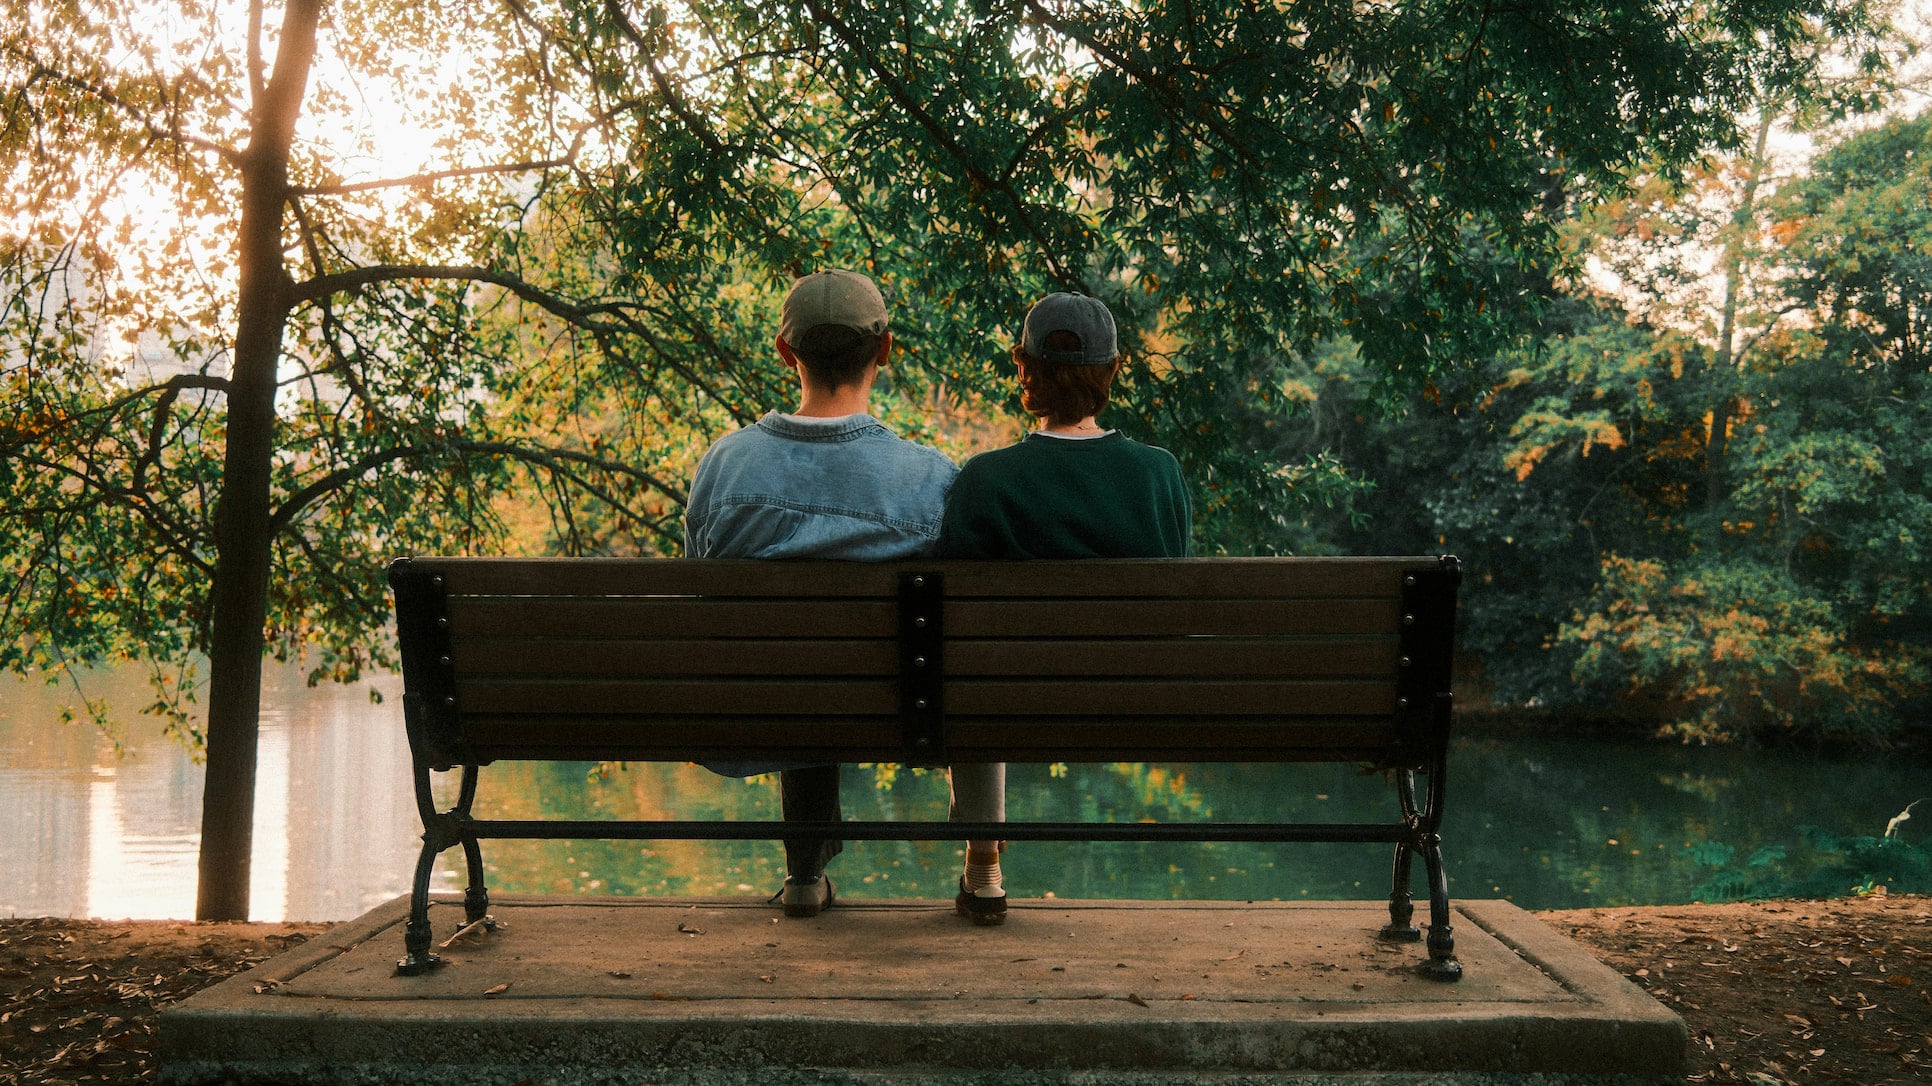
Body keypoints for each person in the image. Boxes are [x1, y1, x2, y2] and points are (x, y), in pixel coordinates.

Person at [685, 269, 958, 918]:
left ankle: (803, 877)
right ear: (885, 351)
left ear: (786, 353)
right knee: (834, 673)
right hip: (896, 716)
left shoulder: (725, 466)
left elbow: (701, 598)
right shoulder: (932, 479)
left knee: (797, 671)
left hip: (752, 711)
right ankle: (813, 875)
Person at [936, 291, 1191, 926]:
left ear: (1024, 367)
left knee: (967, 673)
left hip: (1007, 705)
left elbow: (951, 627)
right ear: (1112, 370)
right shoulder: (1159, 474)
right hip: (1142, 704)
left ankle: (984, 862)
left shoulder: (985, 480)